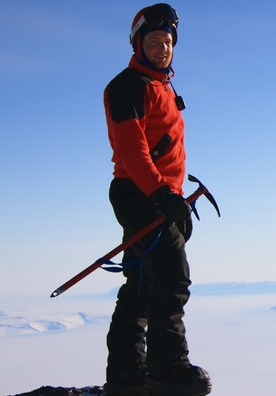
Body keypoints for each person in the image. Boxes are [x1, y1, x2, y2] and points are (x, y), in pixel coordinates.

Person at [102, 4, 211, 396]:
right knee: (171, 276)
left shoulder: (162, 87)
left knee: (143, 282)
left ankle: (127, 376)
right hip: (139, 193)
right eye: (154, 41)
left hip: (160, 195)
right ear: (137, 44)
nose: (162, 48)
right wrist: (163, 195)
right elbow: (133, 152)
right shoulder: (126, 85)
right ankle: (168, 372)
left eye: (167, 42)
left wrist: (174, 194)